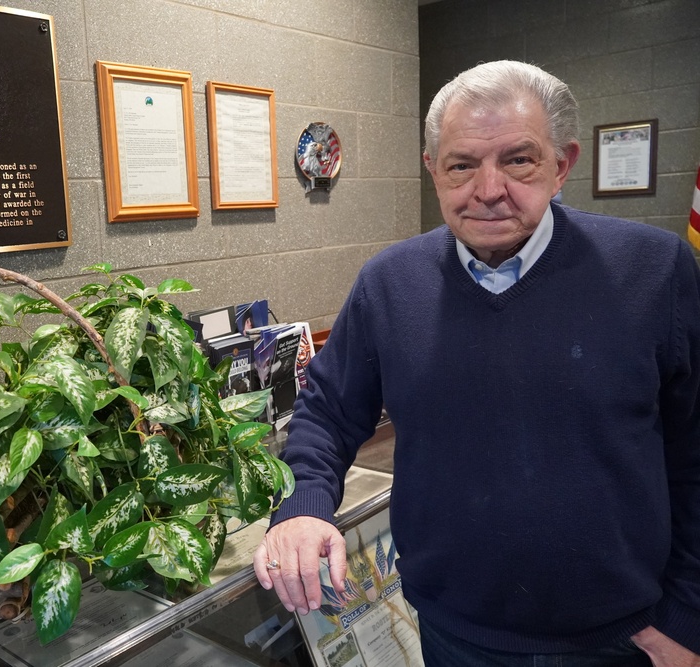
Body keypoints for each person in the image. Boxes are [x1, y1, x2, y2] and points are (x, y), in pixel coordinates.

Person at [254, 60, 700, 666]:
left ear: (561, 166)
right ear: (433, 170)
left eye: (518, 160)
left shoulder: (655, 271)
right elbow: (327, 414)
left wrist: (687, 618)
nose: (488, 190)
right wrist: (304, 507)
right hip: (453, 636)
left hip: (627, 640)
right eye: (462, 164)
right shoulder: (389, 285)